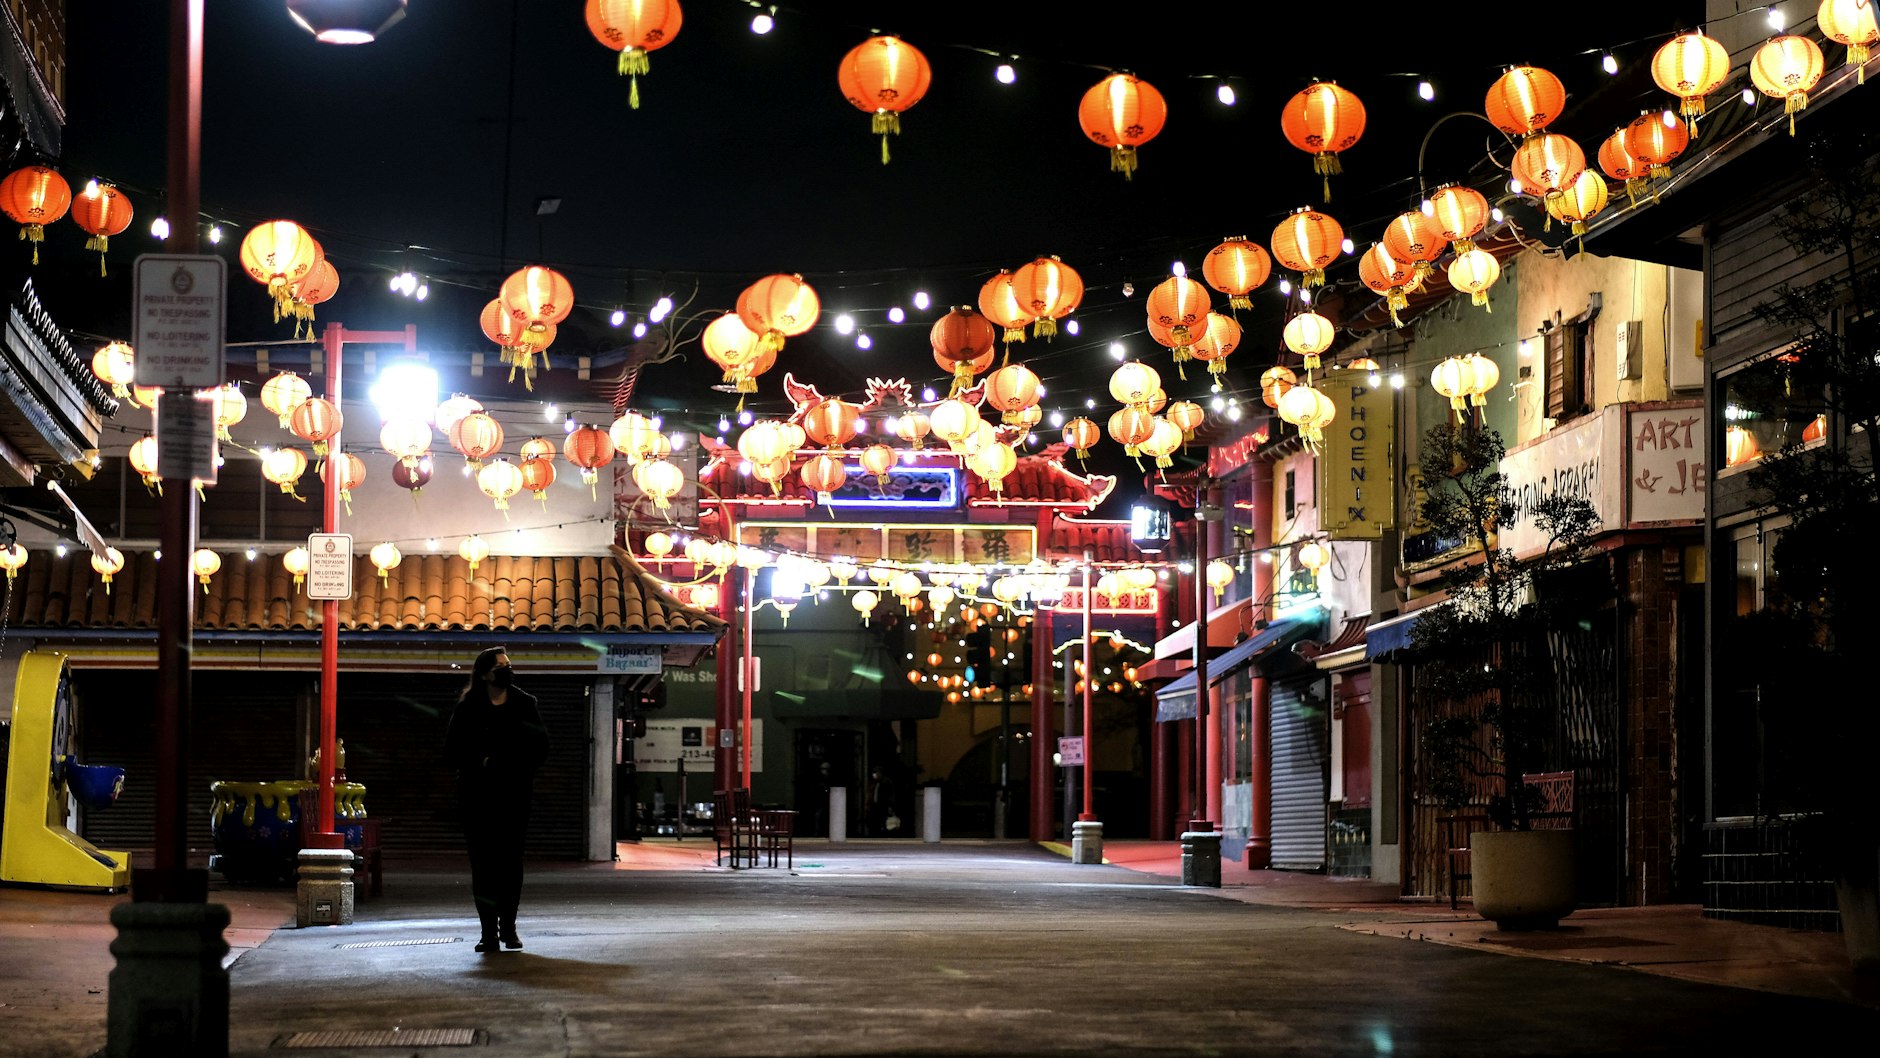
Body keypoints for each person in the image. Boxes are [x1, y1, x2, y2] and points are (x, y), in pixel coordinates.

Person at [445, 647, 549, 953]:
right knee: (484, 867)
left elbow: (541, 747)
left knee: (511, 865)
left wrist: (511, 763)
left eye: (509, 665)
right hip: (477, 800)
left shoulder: (525, 704)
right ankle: (488, 932)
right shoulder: (467, 708)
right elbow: (451, 751)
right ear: (485, 674)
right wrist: (481, 761)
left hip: (514, 798)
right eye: (501, 666)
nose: (507, 670)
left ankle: (510, 929)